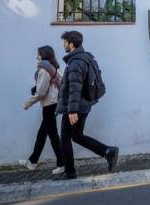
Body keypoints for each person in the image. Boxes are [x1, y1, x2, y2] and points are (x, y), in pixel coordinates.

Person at [54, 30, 118, 180]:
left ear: (71, 44)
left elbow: (75, 88)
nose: (63, 45)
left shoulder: (76, 62)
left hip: (76, 108)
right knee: (77, 136)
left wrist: (72, 111)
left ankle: (70, 172)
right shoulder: (85, 57)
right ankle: (108, 151)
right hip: (84, 106)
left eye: (65, 42)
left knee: (65, 138)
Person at [19, 46, 64, 174]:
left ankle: (62, 163)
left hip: (49, 105)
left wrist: (27, 104)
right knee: (42, 134)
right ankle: (32, 162)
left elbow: (41, 93)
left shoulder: (44, 70)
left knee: (53, 136)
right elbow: (48, 85)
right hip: (54, 103)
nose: (36, 56)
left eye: (38, 54)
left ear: (43, 55)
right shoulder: (54, 67)